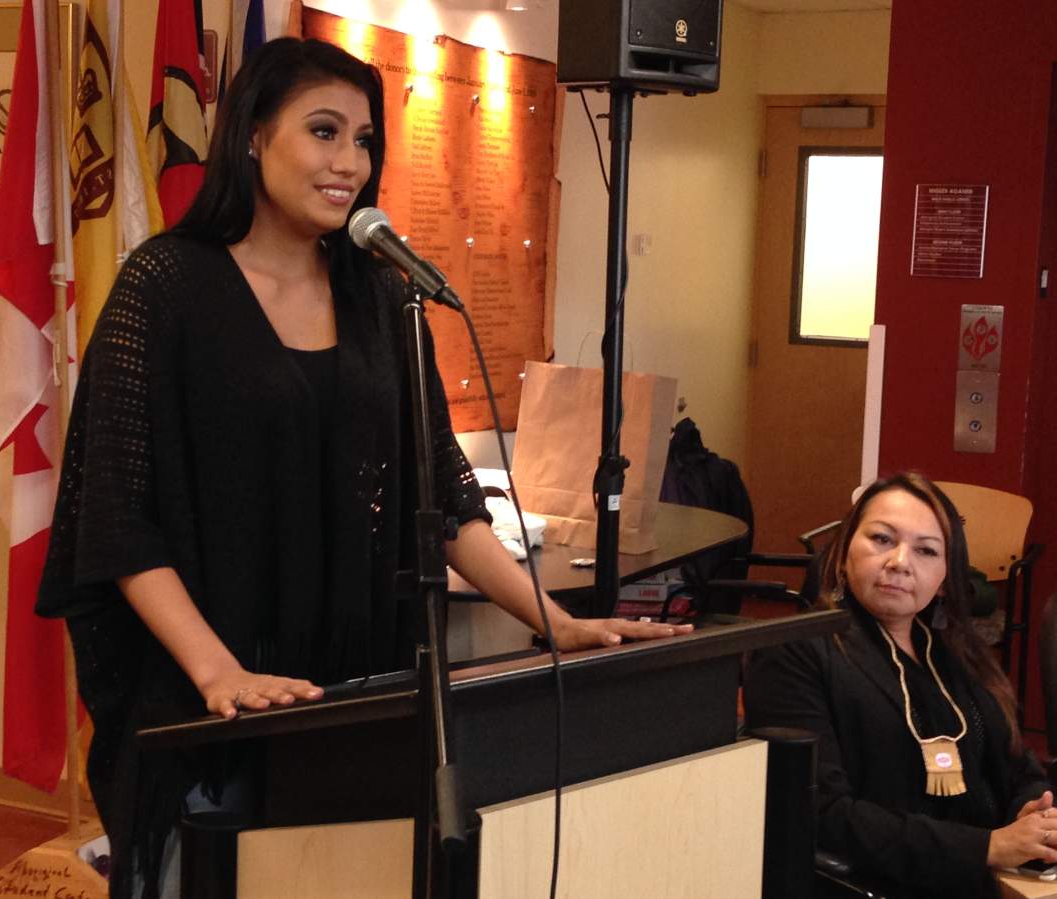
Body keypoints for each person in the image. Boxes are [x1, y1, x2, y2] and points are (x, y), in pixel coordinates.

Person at [36, 37, 690, 898]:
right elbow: (118, 515)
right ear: (252, 138)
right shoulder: (165, 286)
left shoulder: (382, 294)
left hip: (355, 690)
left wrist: (554, 620)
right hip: (210, 698)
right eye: (323, 131)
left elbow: (444, 496)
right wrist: (217, 670)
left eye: (365, 139)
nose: (351, 162)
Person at [745, 473, 1055, 898]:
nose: (900, 562)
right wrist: (988, 846)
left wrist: (1035, 812)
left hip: (993, 882)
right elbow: (823, 814)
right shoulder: (793, 652)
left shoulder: (960, 653)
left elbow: (1021, 767)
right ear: (842, 554)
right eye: (882, 539)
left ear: (945, 578)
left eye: (927, 550)